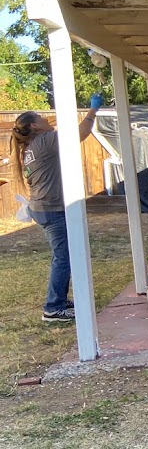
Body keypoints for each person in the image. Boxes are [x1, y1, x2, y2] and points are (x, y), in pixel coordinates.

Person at [8, 95, 104, 322]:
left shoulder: (30, 147)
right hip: (51, 209)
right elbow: (79, 135)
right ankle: (53, 307)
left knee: (64, 255)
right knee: (63, 257)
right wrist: (92, 111)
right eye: (41, 117)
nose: (47, 119)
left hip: (43, 207)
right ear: (34, 125)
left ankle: (60, 299)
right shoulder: (44, 141)